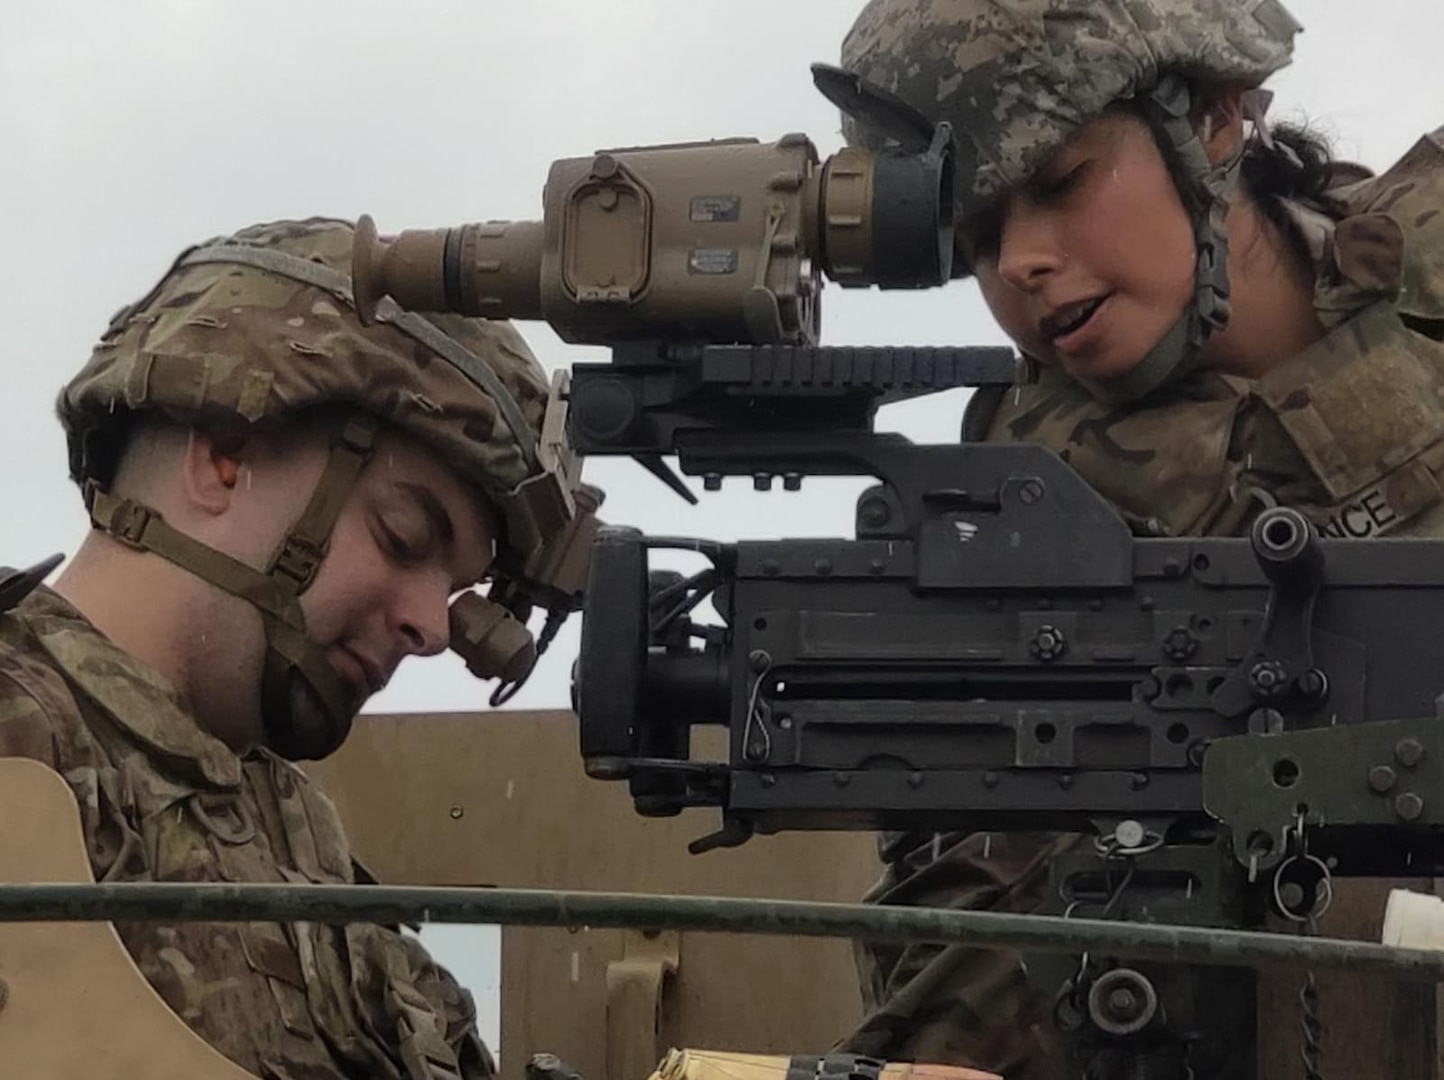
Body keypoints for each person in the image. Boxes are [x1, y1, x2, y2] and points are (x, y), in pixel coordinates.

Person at [828, 0, 1444, 1076]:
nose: (1019, 264)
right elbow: (970, 903)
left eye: (1060, 183)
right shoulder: (1024, 521)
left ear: (1211, 121)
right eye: (975, 241)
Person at [0, 217, 597, 1079]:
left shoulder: (289, 826)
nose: (433, 626)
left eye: (459, 585)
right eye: (402, 537)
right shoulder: (25, 742)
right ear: (226, 458)